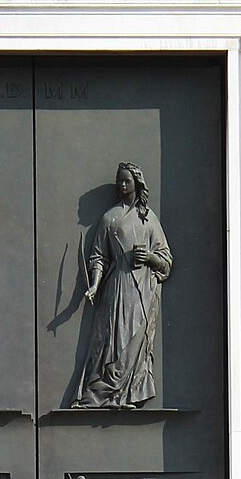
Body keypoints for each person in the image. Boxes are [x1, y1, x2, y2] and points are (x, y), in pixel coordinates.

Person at [73, 161, 172, 408]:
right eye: (119, 181)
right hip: (116, 288)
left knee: (136, 341)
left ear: (137, 184)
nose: (122, 185)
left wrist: (150, 257)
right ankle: (106, 393)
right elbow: (98, 257)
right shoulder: (110, 218)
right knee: (113, 339)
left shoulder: (148, 219)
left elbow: (166, 260)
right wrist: (95, 284)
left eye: (126, 180)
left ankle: (129, 394)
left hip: (142, 290)